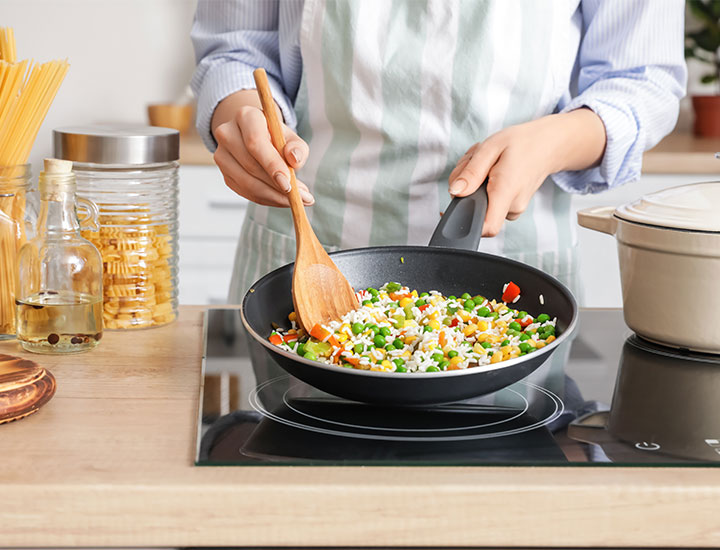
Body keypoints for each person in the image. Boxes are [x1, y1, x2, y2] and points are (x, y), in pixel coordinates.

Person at [191, 0, 685, 427]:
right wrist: (241, 118)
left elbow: (643, 79)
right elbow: (236, 48)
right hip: (312, 238)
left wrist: (556, 141)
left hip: (512, 253)